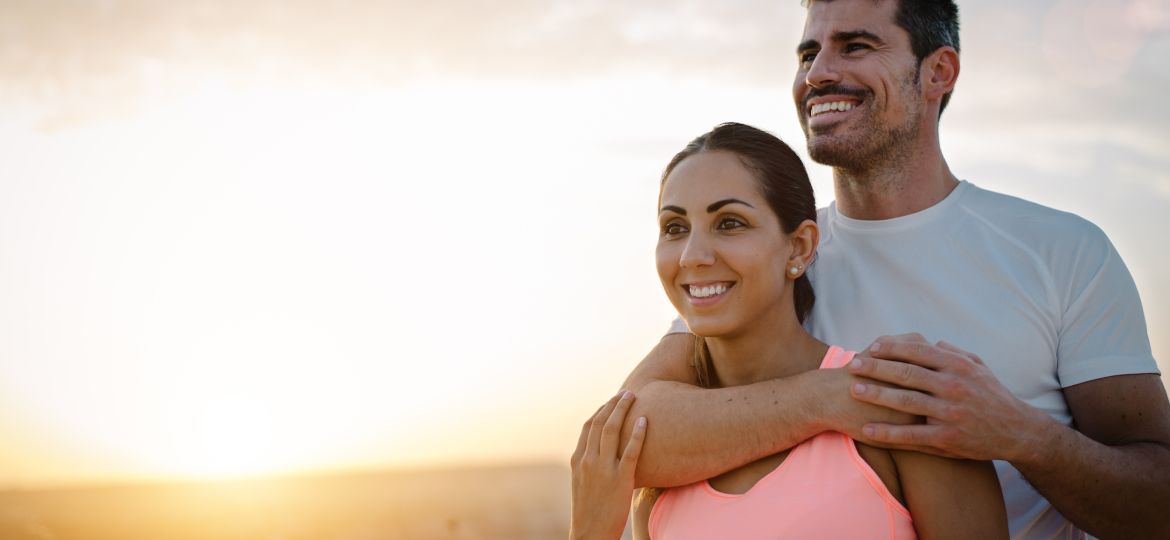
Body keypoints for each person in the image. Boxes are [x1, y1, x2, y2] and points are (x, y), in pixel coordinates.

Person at [610, 1, 1170, 539]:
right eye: (808, 54)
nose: (819, 73)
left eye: (855, 46)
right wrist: (830, 397)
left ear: (937, 72)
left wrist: (1022, 436)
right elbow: (623, 437)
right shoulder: (769, 258)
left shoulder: (1063, 252)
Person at [572, 122, 1007, 539]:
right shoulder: (660, 475)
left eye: (729, 223)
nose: (692, 255)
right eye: (675, 227)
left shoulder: (900, 403)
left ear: (799, 247)